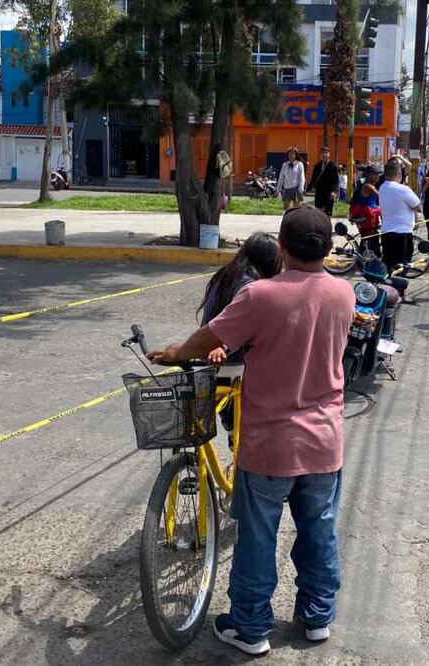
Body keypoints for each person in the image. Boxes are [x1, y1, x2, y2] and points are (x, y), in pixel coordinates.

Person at [147, 206, 354, 657]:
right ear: (330, 248)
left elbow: (209, 337)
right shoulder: (345, 294)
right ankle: (317, 616)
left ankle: (250, 626)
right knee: (319, 531)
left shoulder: (262, 295)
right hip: (325, 443)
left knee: (258, 536)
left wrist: (176, 352)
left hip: (270, 445)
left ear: (282, 247)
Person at [378, 161, 421, 288]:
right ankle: (398, 293)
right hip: (402, 233)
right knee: (401, 266)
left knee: (388, 263)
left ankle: (386, 291)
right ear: (399, 174)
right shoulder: (403, 189)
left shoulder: (383, 187)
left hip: (386, 232)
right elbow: (418, 206)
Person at [349, 163, 383, 257]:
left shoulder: (368, 184)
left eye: (378, 174)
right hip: (366, 216)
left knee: (368, 238)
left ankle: (364, 259)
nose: (378, 176)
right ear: (368, 174)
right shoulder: (368, 186)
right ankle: (363, 259)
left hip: (369, 215)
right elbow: (381, 197)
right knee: (370, 238)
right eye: (375, 174)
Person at [308, 146, 340, 216]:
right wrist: (307, 189)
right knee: (318, 213)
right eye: (322, 153)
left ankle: (328, 226)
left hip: (329, 193)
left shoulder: (333, 166)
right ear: (320, 155)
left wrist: (334, 192)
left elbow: (336, 180)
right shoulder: (317, 166)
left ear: (329, 155)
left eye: (326, 153)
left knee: (328, 213)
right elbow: (313, 179)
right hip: (319, 193)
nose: (324, 154)